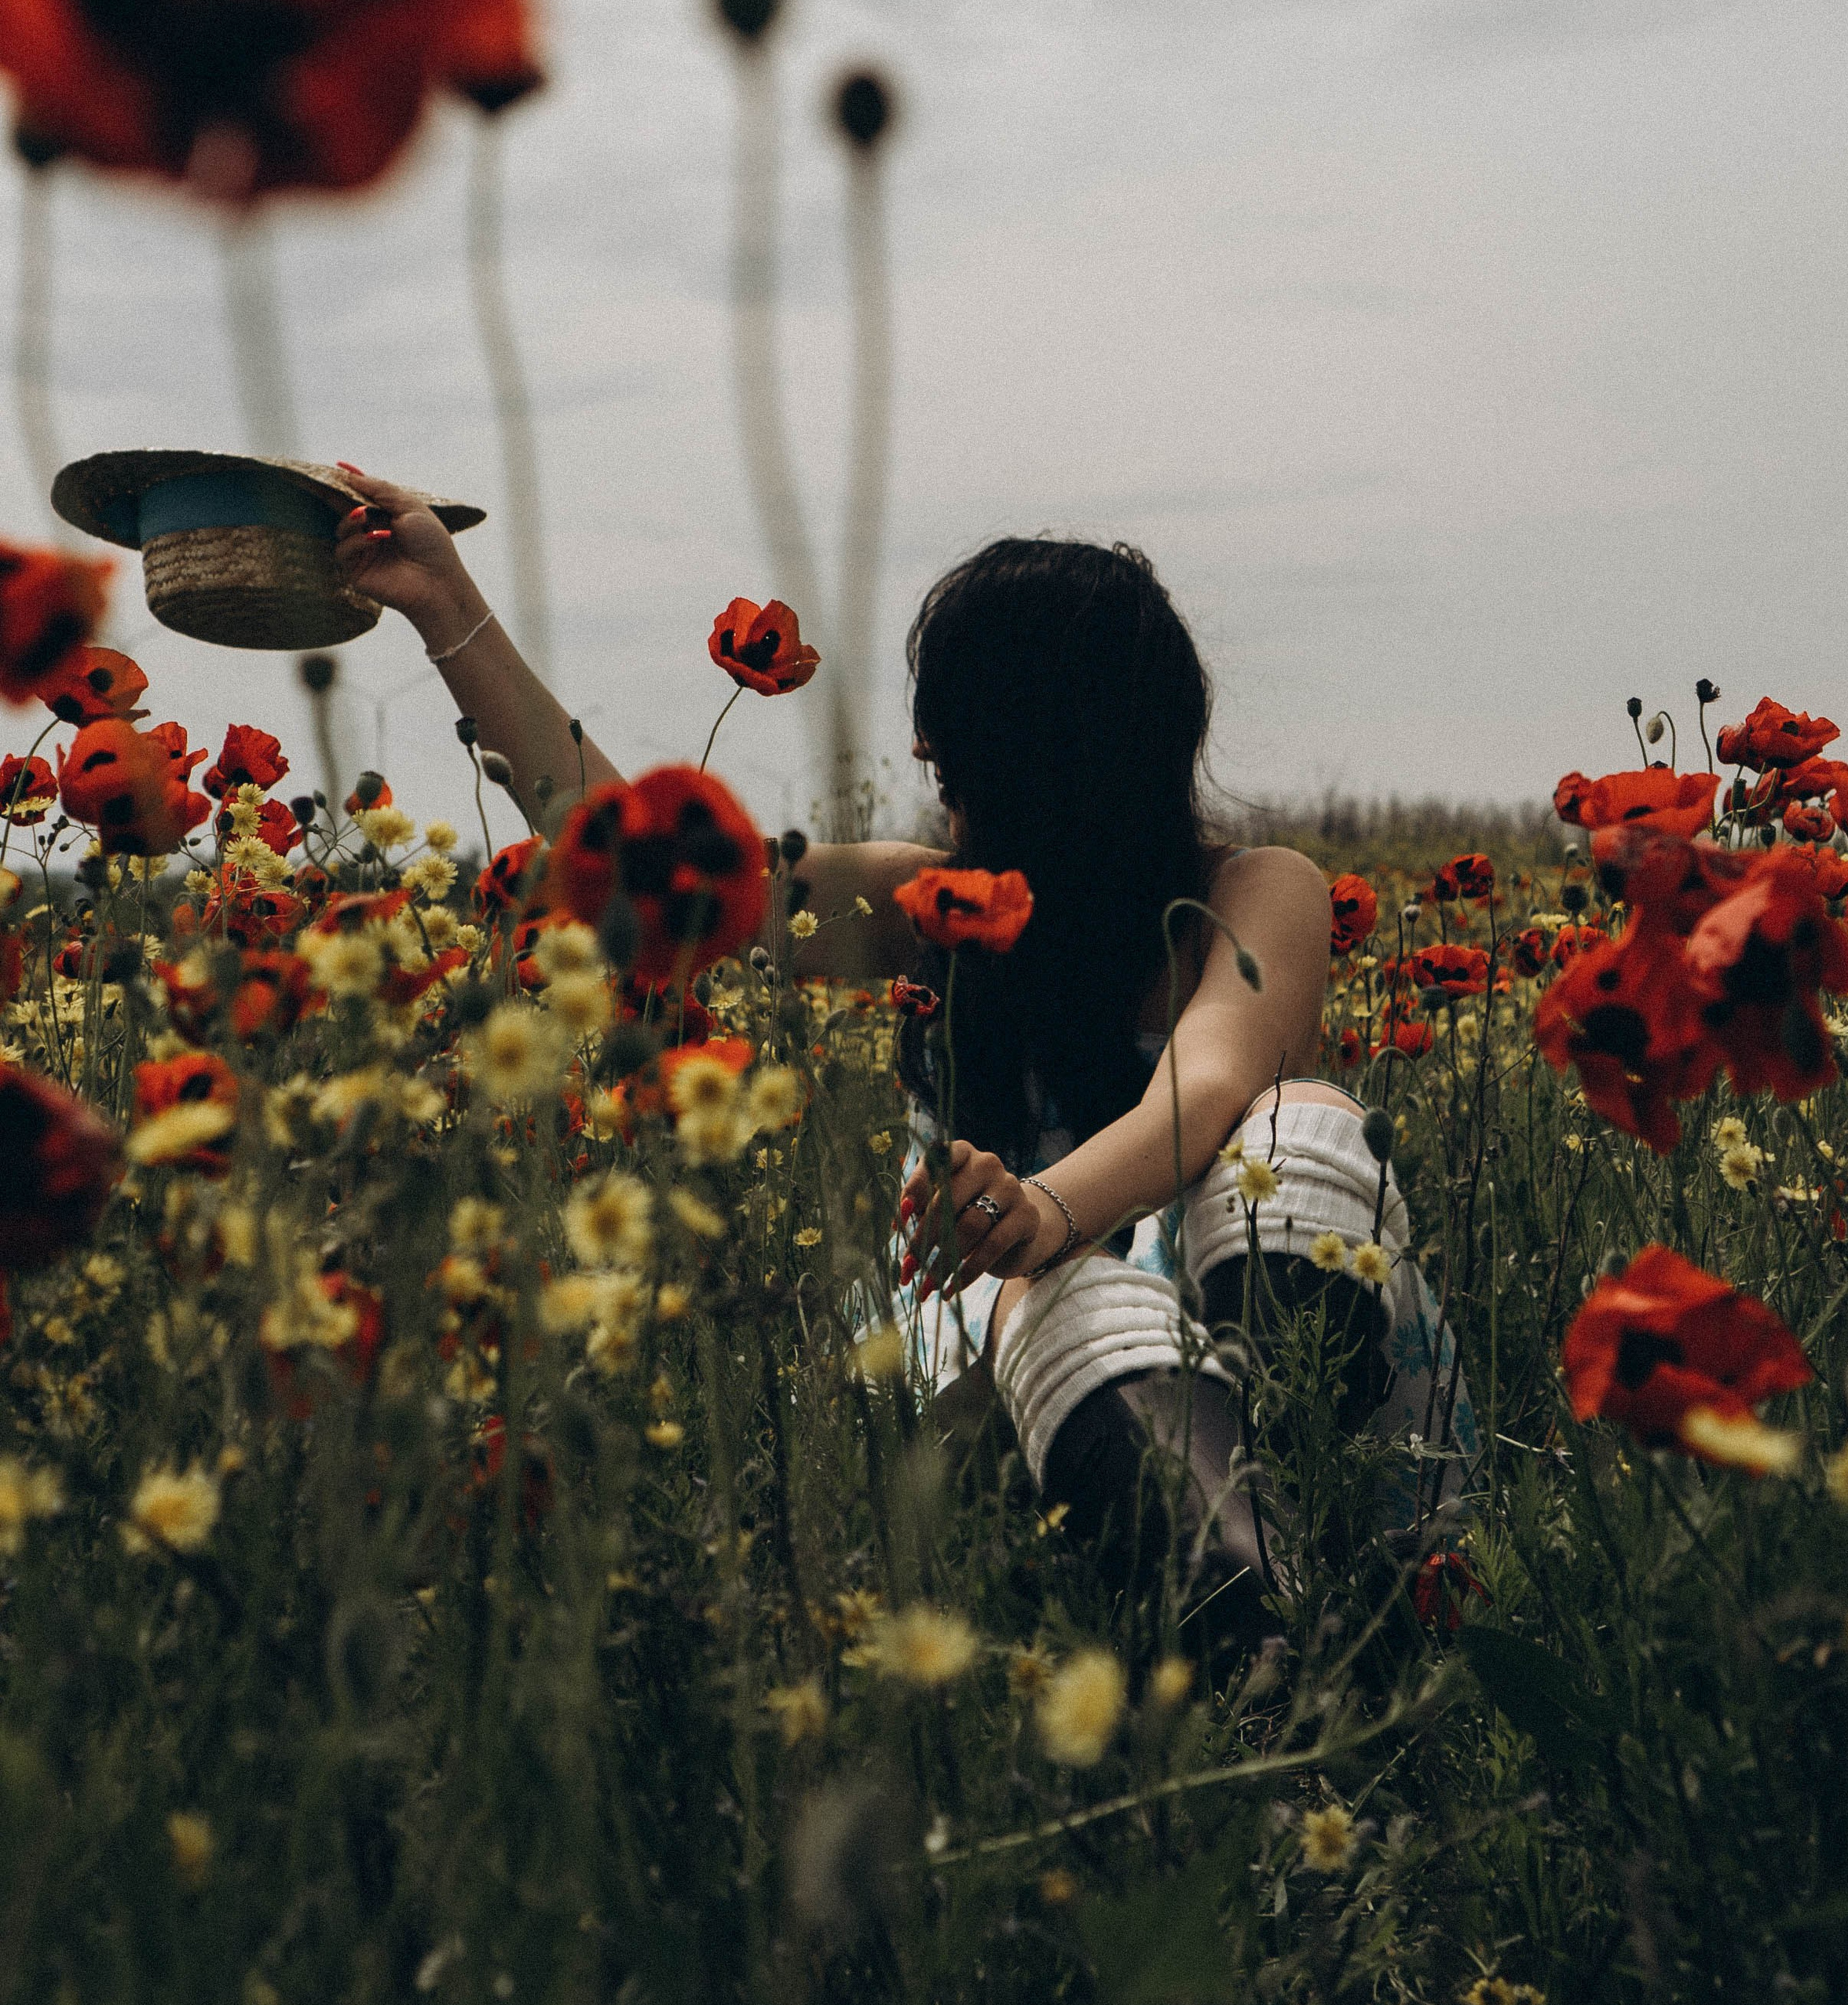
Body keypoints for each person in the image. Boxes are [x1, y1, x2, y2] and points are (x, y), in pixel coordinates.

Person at [334, 488, 1463, 1612]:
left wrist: (1039, 1210)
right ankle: (1248, 1623)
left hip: (1264, 1352)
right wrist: (445, 602)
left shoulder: (1259, 891)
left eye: (950, 733)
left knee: (1298, 1134)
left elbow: (1209, 1082)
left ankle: (1349, 1519)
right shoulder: (922, 905)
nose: (924, 755)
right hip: (1022, 1387)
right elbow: (642, 860)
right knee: (1062, 1297)